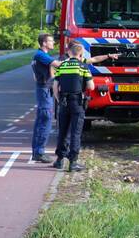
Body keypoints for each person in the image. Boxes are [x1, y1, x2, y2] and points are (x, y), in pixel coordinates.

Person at [52, 42, 95, 172]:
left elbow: (55, 86)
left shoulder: (62, 65)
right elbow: (91, 86)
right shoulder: (83, 66)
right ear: (80, 53)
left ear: (70, 52)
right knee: (75, 132)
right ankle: (73, 162)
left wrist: (59, 99)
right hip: (77, 102)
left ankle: (59, 160)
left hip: (64, 102)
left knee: (62, 131)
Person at [30, 34, 57, 163]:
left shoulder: (38, 55)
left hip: (44, 90)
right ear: (44, 43)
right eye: (51, 41)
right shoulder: (41, 55)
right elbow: (56, 64)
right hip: (44, 91)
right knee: (45, 119)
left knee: (41, 120)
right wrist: (73, 61)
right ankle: (39, 152)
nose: (53, 42)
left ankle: (37, 151)